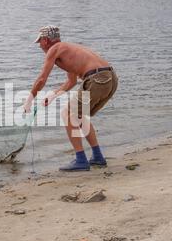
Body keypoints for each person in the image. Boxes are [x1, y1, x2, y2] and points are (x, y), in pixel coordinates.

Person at [24, 25, 118, 171]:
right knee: (79, 116)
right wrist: (54, 95)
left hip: (97, 79)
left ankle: (81, 160)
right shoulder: (68, 49)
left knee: (68, 113)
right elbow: (71, 81)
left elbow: (42, 79)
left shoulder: (54, 50)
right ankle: (98, 157)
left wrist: (29, 99)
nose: (39, 46)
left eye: (40, 41)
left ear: (46, 40)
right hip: (110, 78)